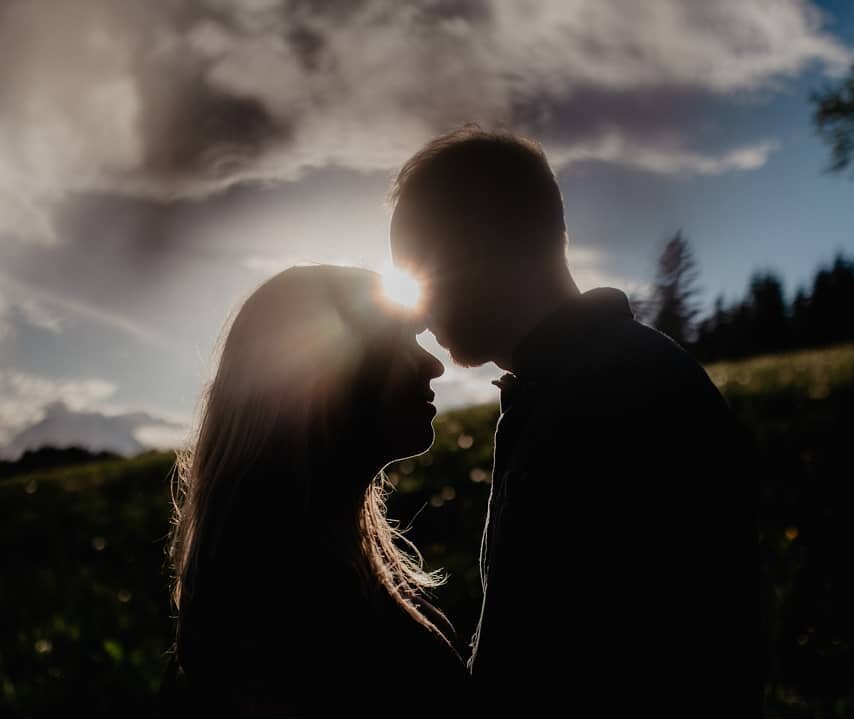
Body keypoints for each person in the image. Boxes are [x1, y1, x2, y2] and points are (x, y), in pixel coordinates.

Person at [389, 125, 753, 715]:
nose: (419, 307)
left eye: (420, 266)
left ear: (485, 243)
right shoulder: (574, 385)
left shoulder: (622, 394)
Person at [161, 266, 469, 717]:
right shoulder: (288, 602)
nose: (432, 364)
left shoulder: (311, 561)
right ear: (326, 378)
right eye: (399, 342)